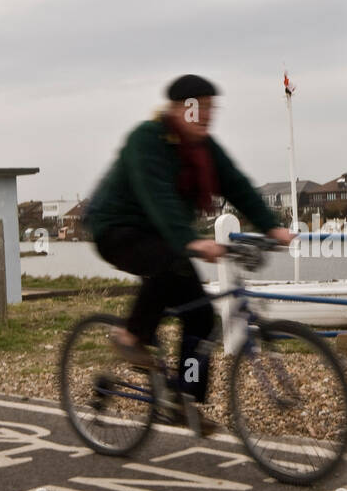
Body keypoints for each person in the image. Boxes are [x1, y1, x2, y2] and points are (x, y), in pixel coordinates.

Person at [84, 74, 294, 433]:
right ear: (179, 108)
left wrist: (270, 226)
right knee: (167, 266)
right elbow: (158, 196)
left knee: (201, 318)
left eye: (212, 108)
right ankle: (131, 337)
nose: (207, 115)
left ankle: (182, 398)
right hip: (117, 228)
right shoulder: (147, 140)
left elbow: (238, 185)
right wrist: (190, 240)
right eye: (200, 107)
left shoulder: (204, 149)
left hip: (162, 234)